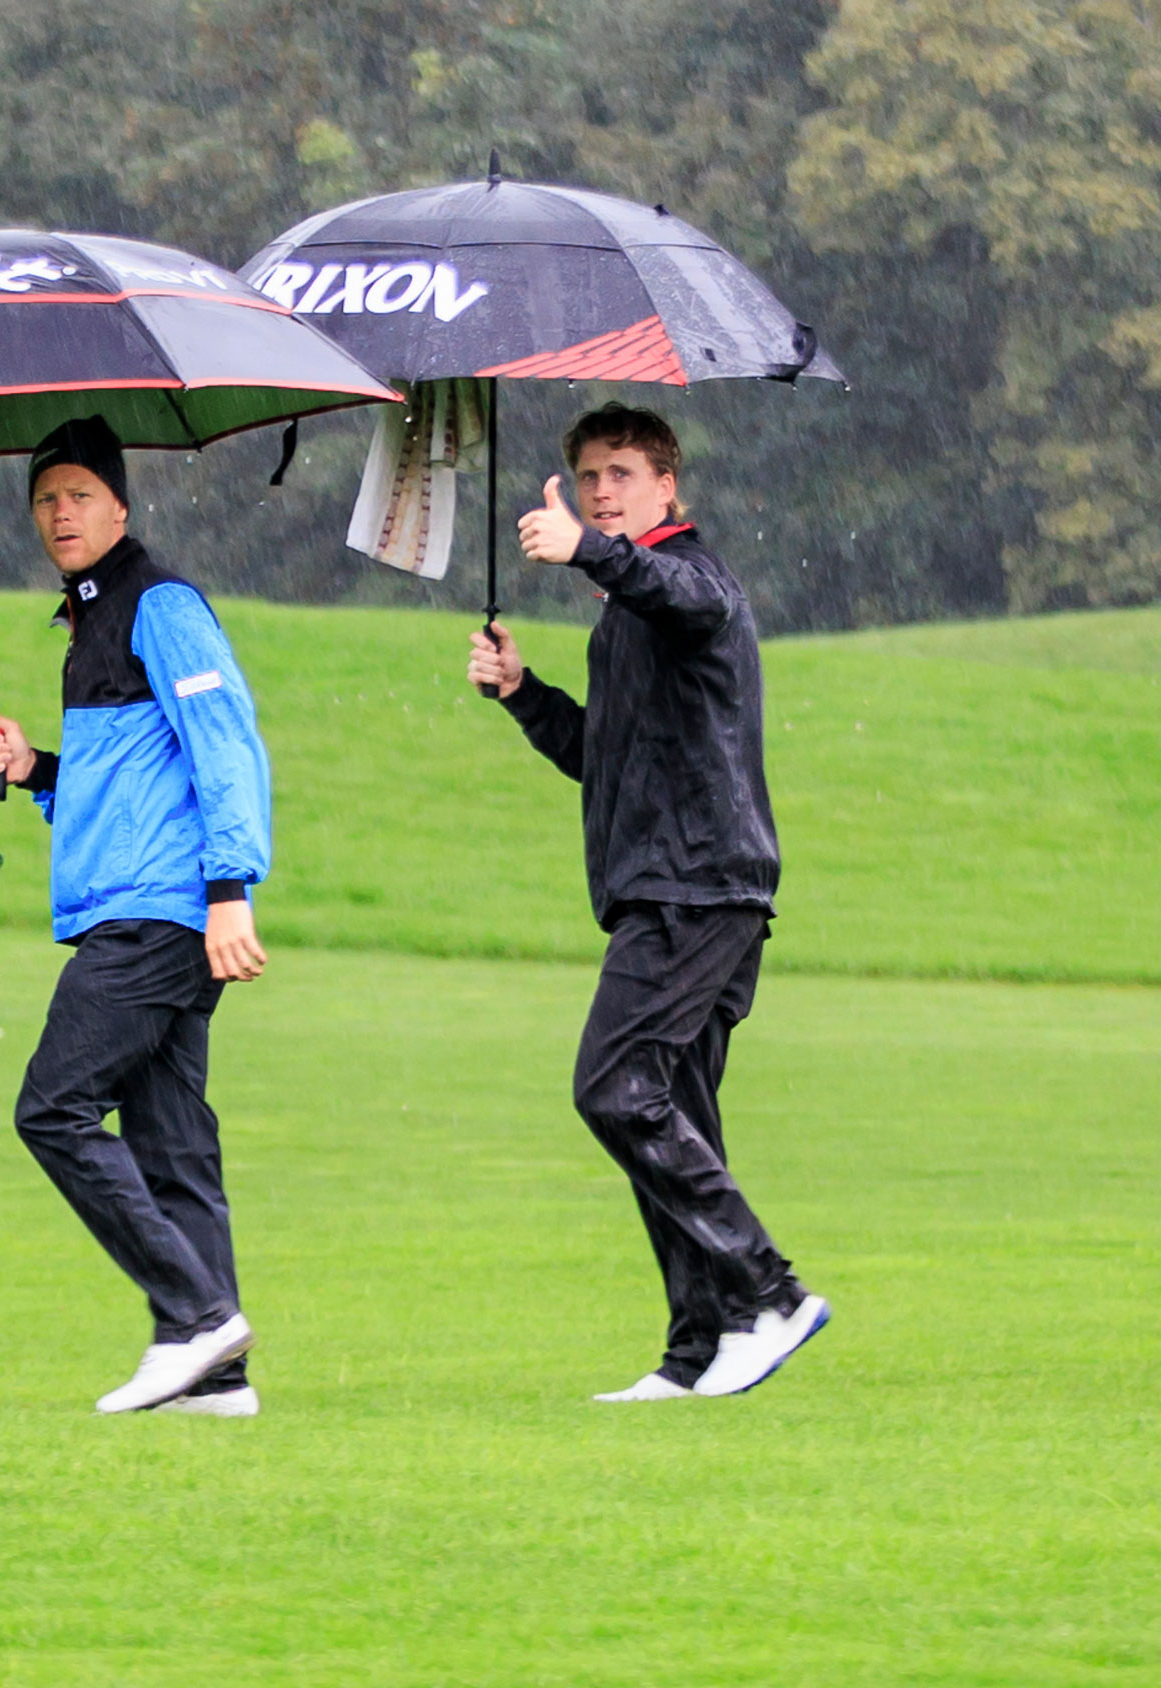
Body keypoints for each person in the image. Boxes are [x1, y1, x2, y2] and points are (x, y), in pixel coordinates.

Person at [466, 402, 828, 1402]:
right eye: (587, 478)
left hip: (698, 887)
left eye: (621, 474)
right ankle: (697, 1348)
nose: (601, 491)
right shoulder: (627, 614)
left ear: (668, 486)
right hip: (674, 885)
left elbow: (681, 594)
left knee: (614, 1086)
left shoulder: (690, 579)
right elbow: (605, 758)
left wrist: (587, 550)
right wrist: (521, 691)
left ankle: (772, 1290)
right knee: (676, 1119)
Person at [0, 415, 275, 1418]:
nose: (60, 513)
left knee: (50, 1108)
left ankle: (195, 1315)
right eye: (45, 499)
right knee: (173, 1143)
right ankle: (216, 1375)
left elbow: (226, 742)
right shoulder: (88, 626)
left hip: (158, 916)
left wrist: (231, 886)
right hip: (146, 907)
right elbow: (126, 785)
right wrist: (33, 771)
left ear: (120, 506)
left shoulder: (161, 604)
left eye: (78, 495)